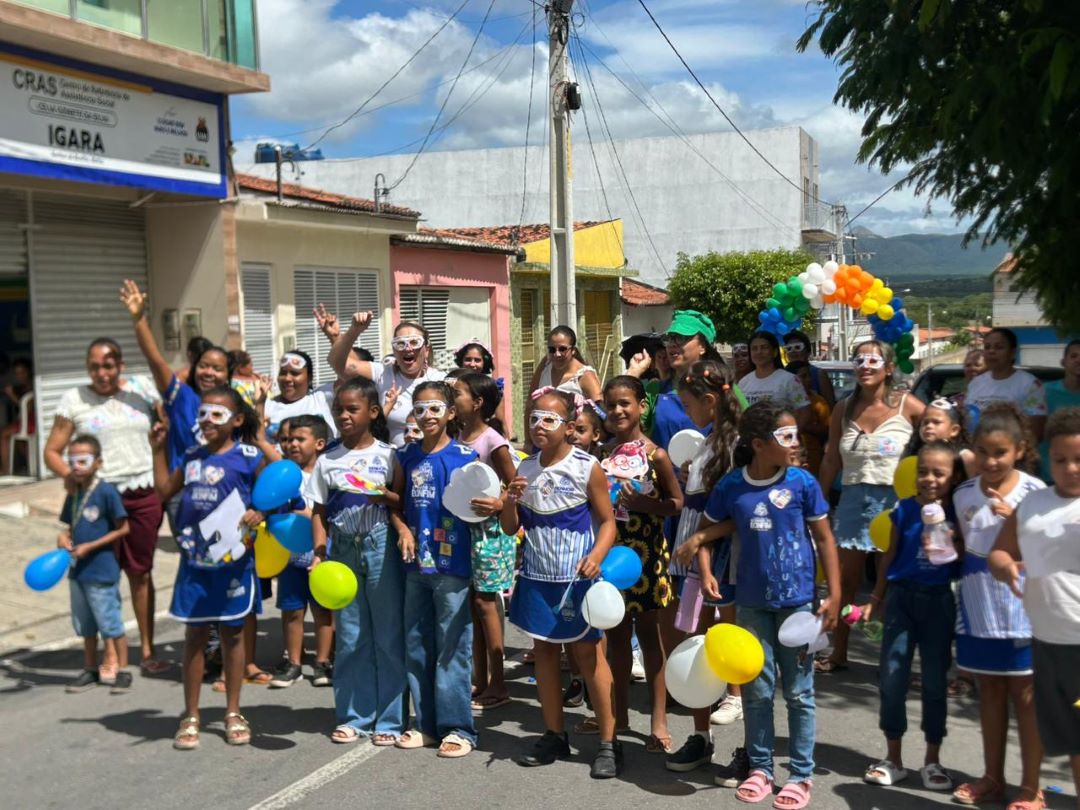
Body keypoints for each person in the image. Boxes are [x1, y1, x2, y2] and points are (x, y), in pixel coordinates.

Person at [701, 401, 841, 808]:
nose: (796, 443)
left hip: (798, 605)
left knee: (799, 692)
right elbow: (708, 529)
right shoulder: (732, 486)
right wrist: (707, 569)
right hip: (751, 604)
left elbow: (826, 539)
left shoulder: (802, 483)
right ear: (760, 444)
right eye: (787, 436)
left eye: (796, 433)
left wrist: (833, 594)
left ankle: (801, 774)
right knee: (757, 691)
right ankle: (761, 768)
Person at [504, 388, 621, 777]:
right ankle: (555, 734)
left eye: (549, 419)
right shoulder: (524, 469)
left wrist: (596, 557)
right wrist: (508, 502)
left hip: (577, 581)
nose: (539, 426)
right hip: (537, 578)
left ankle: (608, 741)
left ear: (569, 427)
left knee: (588, 658)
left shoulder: (588, 467)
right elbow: (511, 528)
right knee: (546, 656)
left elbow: (608, 523)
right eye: (534, 418)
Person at [150, 385, 267, 750]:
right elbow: (164, 491)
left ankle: (233, 711)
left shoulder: (249, 456)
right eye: (202, 413)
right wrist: (157, 448)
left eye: (216, 414)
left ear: (236, 420)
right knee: (195, 638)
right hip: (196, 562)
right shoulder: (191, 455)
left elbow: (274, 494)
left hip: (234, 562)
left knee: (233, 636)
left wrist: (261, 511)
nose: (206, 420)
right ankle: (191, 715)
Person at [45, 337, 167, 675]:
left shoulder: (142, 389)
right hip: (98, 495)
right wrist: (71, 474)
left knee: (140, 573)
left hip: (143, 494)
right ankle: (110, 652)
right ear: (87, 368)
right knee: (100, 576)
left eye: (109, 365)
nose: (102, 372)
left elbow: (167, 423)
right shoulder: (74, 399)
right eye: (95, 366)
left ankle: (146, 650)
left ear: (121, 365)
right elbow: (52, 451)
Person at [950, 403, 1046, 808]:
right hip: (977, 605)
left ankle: (1032, 787)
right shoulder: (962, 495)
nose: (991, 461)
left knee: (1026, 696)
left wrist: (1019, 527)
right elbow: (961, 547)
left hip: (1026, 606)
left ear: (1020, 450)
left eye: (1000, 452)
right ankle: (992, 776)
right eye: (984, 452)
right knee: (989, 689)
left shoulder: (1037, 494)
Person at [816, 340, 924, 673]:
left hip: (895, 502)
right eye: (859, 360)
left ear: (889, 369)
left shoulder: (909, 406)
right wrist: (816, 501)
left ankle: (894, 658)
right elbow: (831, 457)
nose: (865, 366)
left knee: (890, 582)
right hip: (853, 500)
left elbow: (941, 432)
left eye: (873, 360)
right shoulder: (844, 408)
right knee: (846, 582)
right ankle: (839, 653)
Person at [860, 442, 962, 792]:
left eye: (939, 473)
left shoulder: (956, 511)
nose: (929, 479)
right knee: (892, 676)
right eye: (923, 471)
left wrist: (953, 539)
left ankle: (932, 761)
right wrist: (876, 598)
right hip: (902, 598)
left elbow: (961, 560)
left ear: (952, 477)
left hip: (938, 601)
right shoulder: (903, 509)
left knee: (935, 681)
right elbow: (889, 556)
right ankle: (894, 758)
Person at [990, 406, 1080, 801]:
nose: (1071, 468)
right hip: (1047, 642)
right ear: (1047, 457)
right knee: (1068, 735)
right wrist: (1007, 566)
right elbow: (998, 553)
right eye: (1061, 460)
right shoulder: (1033, 505)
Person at [308, 378, 404, 743]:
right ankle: (354, 716)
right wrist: (320, 552)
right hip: (342, 549)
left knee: (387, 634)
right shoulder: (327, 459)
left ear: (373, 412)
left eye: (353, 409)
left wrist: (387, 498)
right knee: (350, 635)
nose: (344, 416)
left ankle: (391, 719)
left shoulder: (387, 454)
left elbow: (400, 502)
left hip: (380, 545)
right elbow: (318, 510)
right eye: (339, 410)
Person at [391, 381, 478, 757]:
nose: (427, 417)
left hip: (454, 565)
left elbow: (482, 504)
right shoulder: (405, 456)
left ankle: (458, 728)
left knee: (452, 646)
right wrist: (402, 529)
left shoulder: (466, 455)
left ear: (451, 413)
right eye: (420, 409)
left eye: (435, 409)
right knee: (416, 643)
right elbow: (394, 503)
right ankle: (423, 724)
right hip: (415, 566)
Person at [664, 360, 742, 777]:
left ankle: (748, 743)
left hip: (722, 555)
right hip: (694, 549)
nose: (685, 413)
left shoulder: (737, 446)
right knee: (694, 639)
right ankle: (701, 738)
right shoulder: (709, 441)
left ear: (711, 401)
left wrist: (700, 540)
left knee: (727, 639)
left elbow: (736, 510)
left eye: (689, 404)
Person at [601, 375, 683, 754]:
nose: (618, 411)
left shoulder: (656, 455)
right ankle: (618, 714)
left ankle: (659, 720)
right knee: (615, 638)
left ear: (641, 407)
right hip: (611, 554)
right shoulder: (601, 454)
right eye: (611, 404)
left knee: (650, 637)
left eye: (625, 404)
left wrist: (646, 506)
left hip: (647, 553)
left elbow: (676, 503)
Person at [451, 373, 517, 711]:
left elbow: (516, 485)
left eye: (458, 392)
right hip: (464, 531)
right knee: (474, 607)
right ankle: (480, 679)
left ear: (477, 403)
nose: (452, 396)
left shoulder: (493, 441)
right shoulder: (457, 436)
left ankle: (499, 683)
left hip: (490, 533)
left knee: (487, 604)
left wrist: (501, 502)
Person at [58, 435, 132, 694]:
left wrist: (92, 545)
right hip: (78, 570)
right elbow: (70, 526)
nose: (77, 466)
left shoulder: (106, 491)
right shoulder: (75, 492)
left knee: (110, 622)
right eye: (72, 461)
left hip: (101, 569)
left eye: (83, 460)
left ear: (98, 462)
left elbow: (124, 528)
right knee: (84, 623)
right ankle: (90, 668)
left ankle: (122, 669)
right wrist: (64, 538)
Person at [268, 415, 334, 690]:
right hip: (290, 557)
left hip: (321, 554)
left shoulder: (326, 473)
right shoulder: (284, 475)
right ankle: (293, 662)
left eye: (299, 439)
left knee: (322, 611)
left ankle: (323, 662)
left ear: (319, 443)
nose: (292, 444)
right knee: (292, 611)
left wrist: (304, 511)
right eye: (288, 440)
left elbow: (326, 516)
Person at [330, 313, 447, 447]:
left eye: (415, 342)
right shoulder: (383, 373)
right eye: (401, 343)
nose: (408, 348)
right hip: (393, 458)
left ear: (426, 350)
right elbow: (338, 364)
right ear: (394, 350)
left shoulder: (440, 379)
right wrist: (354, 330)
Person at [964, 327, 1047, 440]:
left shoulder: (1030, 384)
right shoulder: (975, 383)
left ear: (1012, 353)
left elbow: (1035, 433)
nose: (991, 351)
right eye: (987, 347)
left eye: (999, 347)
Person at [263, 350, 337, 442]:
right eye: (283, 373)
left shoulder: (323, 397)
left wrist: (335, 338)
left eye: (295, 373)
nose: (287, 378)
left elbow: (349, 375)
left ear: (309, 378)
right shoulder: (266, 406)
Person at [1039, 339, 1080, 482]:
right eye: (1074, 356)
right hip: (1049, 475)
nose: (1078, 360)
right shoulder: (1043, 391)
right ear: (1064, 362)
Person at [904, 398, 976, 479]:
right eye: (925, 422)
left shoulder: (964, 457)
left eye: (936, 422)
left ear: (954, 430)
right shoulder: (914, 456)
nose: (929, 426)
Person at [738, 331, 809, 412]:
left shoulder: (790, 380)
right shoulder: (743, 383)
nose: (759, 352)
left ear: (775, 352)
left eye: (764, 347)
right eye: (754, 348)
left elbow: (804, 413)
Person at [787, 361, 831, 476]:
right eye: (803, 376)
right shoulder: (783, 400)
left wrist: (806, 426)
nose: (809, 380)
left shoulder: (818, 401)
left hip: (813, 458)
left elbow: (828, 429)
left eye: (809, 376)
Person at [784, 330, 835, 407]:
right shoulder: (782, 374)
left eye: (797, 347)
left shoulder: (819, 374)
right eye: (789, 348)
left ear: (808, 352)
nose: (793, 352)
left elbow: (831, 407)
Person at [0, 357, 33, 473]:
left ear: (28, 371)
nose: (20, 376)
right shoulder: (23, 386)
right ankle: (29, 465)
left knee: (3, 434)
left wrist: (11, 395)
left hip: (31, 421)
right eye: (17, 373)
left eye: (22, 372)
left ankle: (5, 469)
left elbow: (26, 408)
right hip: (25, 420)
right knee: (18, 442)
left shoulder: (32, 385)